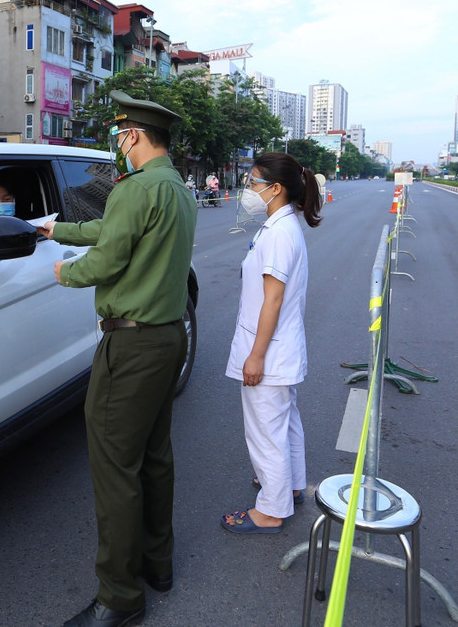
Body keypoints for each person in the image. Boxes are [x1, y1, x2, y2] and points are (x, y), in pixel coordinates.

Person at [40, 91, 196, 627]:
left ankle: (119, 597)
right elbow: (114, 231)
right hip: (168, 337)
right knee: (154, 456)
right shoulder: (175, 186)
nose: (118, 144)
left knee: (114, 469)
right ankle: (159, 565)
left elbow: (107, 256)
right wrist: (55, 228)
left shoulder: (134, 188)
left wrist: (65, 271)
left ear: (132, 136)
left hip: (130, 345)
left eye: (120, 135)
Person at [221, 152, 322, 535]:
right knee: (283, 423)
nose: (248, 190)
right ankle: (291, 485)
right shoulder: (279, 225)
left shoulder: (280, 233)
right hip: (280, 348)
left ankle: (270, 510)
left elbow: (273, 300)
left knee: (266, 432)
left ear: (275, 189)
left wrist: (256, 356)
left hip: (270, 351)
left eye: (253, 182)